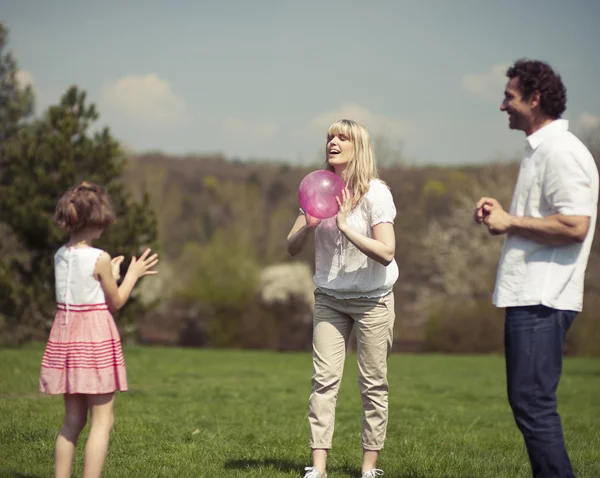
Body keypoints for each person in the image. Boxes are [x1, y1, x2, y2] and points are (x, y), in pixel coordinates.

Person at [475, 60, 599, 478]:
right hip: (531, 295)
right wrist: (504, 215)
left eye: (509, 97)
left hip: (543, 297)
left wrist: (510, 222)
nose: (502, 106)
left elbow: (575, 225)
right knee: (529, 404)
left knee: (533, 405)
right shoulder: (541, 151)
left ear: (535, 98)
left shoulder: (561, 153)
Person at [287, 119, 398, 478]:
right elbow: (291, 247)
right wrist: (308, 224)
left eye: (342, 137)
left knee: (372, 383)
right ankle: (317, 468)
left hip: (373, 301)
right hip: (330, 299)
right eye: (329, 137)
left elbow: (387, 252)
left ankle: (369, 469)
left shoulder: (375, 193)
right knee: (323, 381)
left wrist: (347, 226)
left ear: (358, 147)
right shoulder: (317, 189)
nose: (332, 142)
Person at [39, 181, 159, 478]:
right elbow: (115, 301)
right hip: (94, 341)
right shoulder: (99, 257)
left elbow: (85, 287)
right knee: (102, 421)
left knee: (72, 421)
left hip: (67, 338)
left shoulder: (60, 255)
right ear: (97, 219)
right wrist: (132, 274)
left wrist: (110, 275)